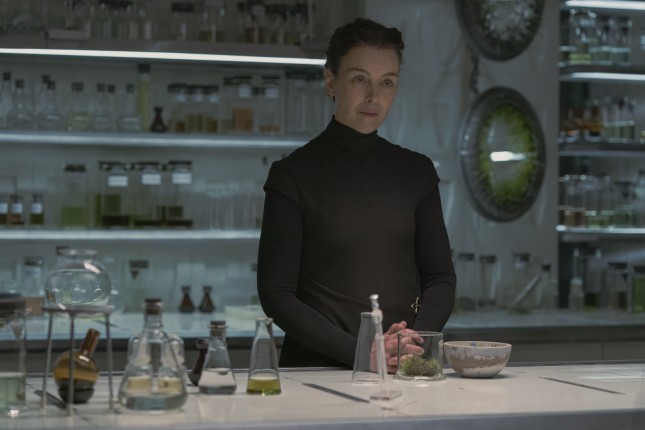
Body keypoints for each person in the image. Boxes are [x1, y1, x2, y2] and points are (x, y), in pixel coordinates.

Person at [257, 18, 456, 372]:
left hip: (402, 367)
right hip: (316, 372)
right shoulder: (291, 175)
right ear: (330, 81)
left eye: (387, 82)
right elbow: (276, 294)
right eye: (359, 79)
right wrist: (364, 352)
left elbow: (440, 278)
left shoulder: (417, 172)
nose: (373, 97)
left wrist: (411, 343)